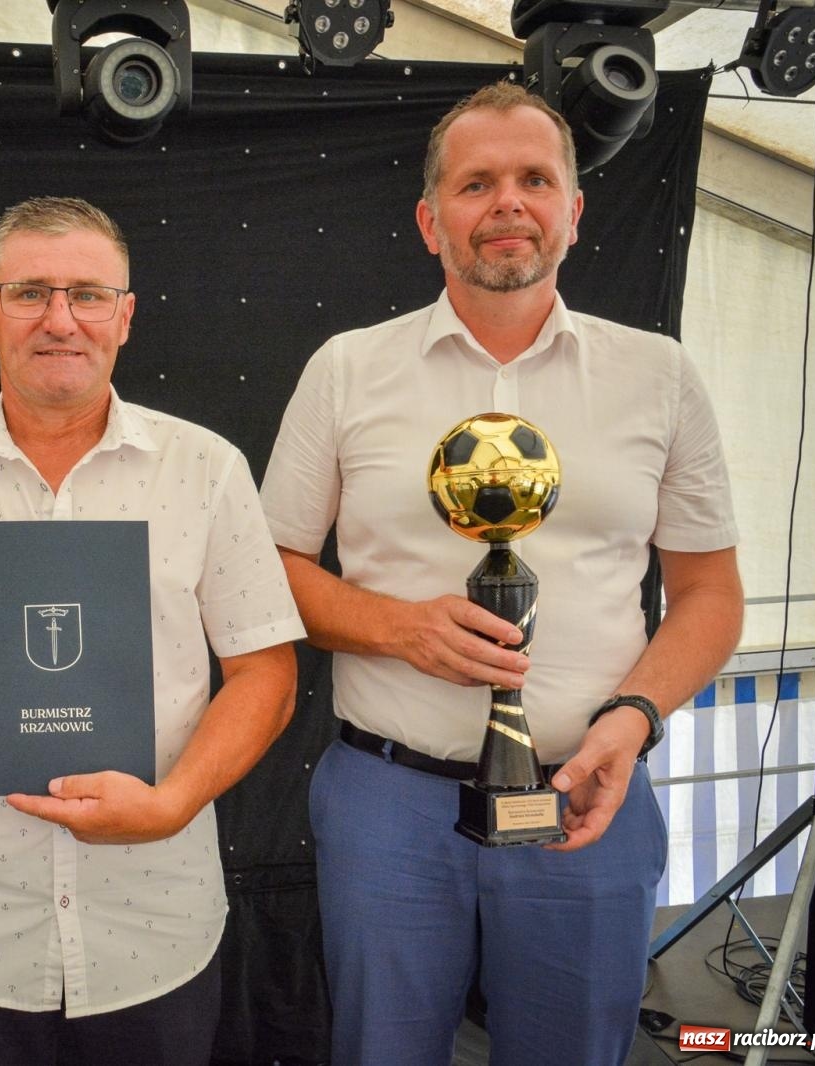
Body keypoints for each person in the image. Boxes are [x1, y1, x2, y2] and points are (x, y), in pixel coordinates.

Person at [259, 81, 744, 1066]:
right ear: (430, 220)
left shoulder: (658, 376)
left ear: (573, 209)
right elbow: (264, 571)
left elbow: (708, 593)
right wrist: (396, 628)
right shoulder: (347, 370)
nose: (507, 202)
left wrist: (633, 717)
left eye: (534, 178)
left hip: (588, 789)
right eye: (476, 183)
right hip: (387, 801)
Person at [0, 196, 303, 1065]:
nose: (59, 320)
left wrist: (174, 802)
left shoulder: (208, 470)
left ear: (125, 315)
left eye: (87, 294)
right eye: (28, 293)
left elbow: (266, 675)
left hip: (155, 925)